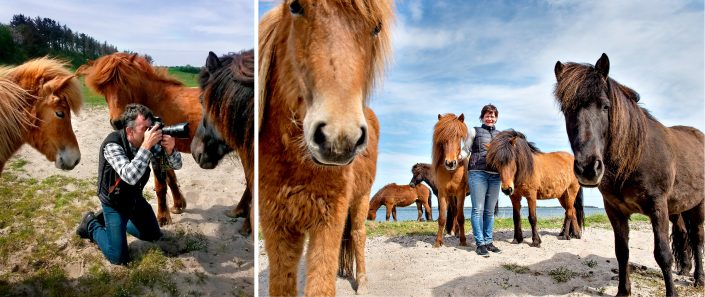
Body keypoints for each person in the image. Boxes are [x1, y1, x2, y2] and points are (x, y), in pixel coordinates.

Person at [76, 104, 182, 265]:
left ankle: (116, 224)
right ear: (129, 131)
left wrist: (170, 151)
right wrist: (147, 146)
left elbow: (175, 165)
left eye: (150, 128)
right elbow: (130, 176)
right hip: (114, 202)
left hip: (134, 199)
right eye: (144, 129)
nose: (149, 133)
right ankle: (91, 223)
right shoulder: (112, 145)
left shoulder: (150, 145)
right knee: (118, 257)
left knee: (152, 235)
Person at [459, 104, 502, 257]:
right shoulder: (474, 131)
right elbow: (466, 149)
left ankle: (489, 241)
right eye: (487, 115)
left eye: (493, 115)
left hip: (496, 176)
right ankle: (480, 244)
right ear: (482, 117)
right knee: (478, 210)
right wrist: (458, 158)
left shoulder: (500, 135)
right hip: (477, 173)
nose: (490, 118)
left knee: (489, 211)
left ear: (496, 118)